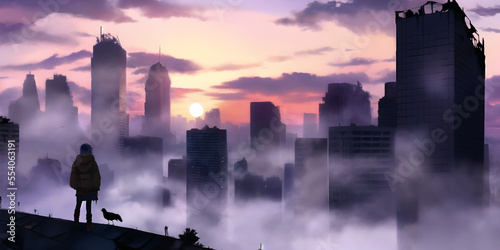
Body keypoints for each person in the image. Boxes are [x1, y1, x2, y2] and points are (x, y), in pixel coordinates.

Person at [70, 143, 101, 231]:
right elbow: (97, 176)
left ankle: (76, 222)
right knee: (88, 206)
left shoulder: (76, 163)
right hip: (90, 189)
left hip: (80, 189)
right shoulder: (93, 162)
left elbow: (73, 177)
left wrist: (76, 187)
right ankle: (89, 224)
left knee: (78, 205)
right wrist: (96, 187)